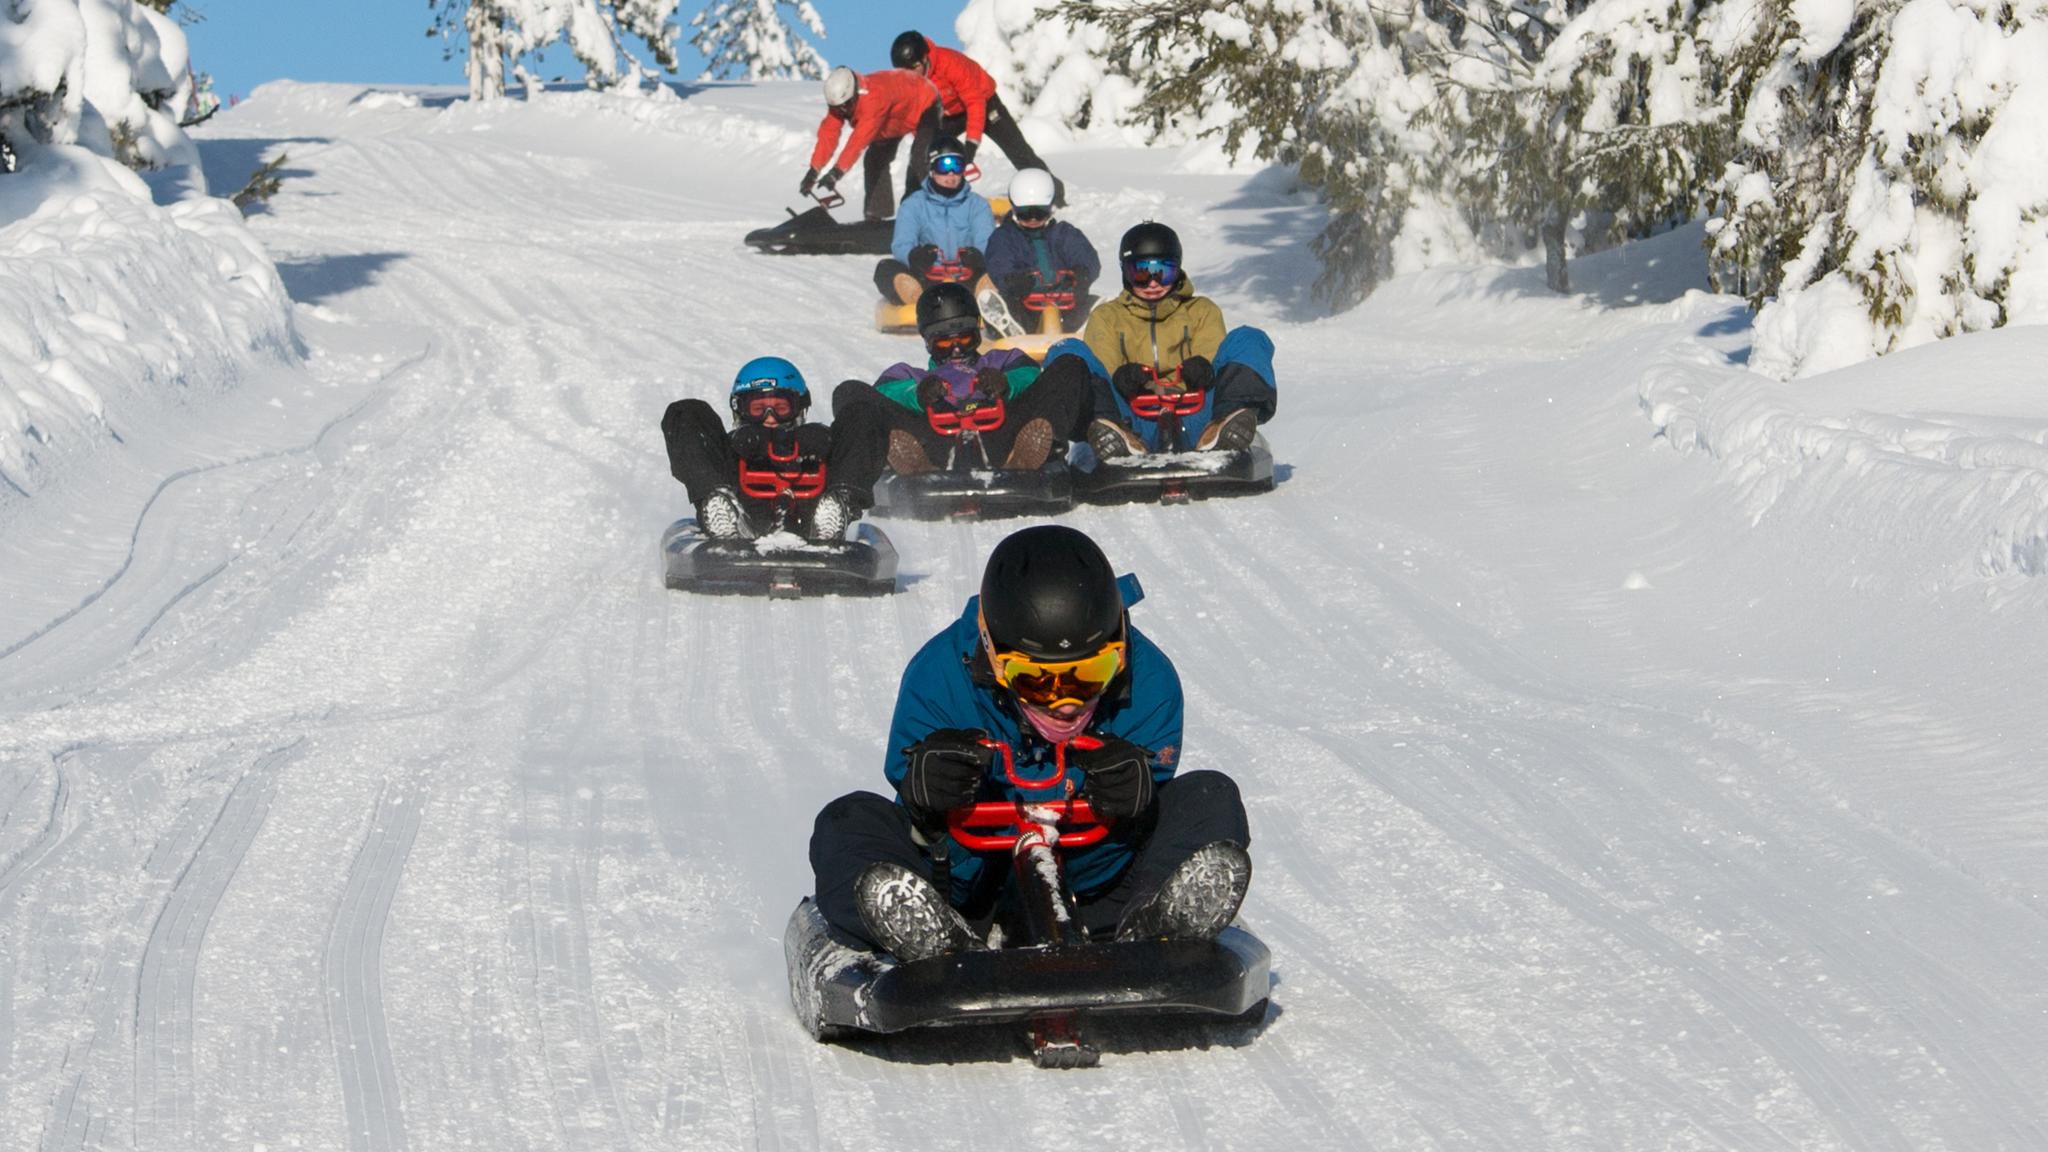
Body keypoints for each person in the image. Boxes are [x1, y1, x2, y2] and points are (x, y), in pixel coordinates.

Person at [808, 524, 1253, 961]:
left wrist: (1136, 800)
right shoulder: (937, 677)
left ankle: (1157, 925)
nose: (1066, 704)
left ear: (1117, 651)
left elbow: (1154, 808)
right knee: (848, 820)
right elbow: (915, 818)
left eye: (1090, 675)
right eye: (1037, 681)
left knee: (1211, 796)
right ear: (995, 657)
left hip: (1095, 887)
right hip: (966, 894)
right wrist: (927, 801)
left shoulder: (1151, 680)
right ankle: (929, 940)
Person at [1059, 221, 1278, 458]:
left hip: (1195, 413)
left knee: (1249, 338)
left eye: (1163, 273)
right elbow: (1100, 373)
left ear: (1178, 271)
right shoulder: (1107, 317)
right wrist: (1122, 377)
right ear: (1126, 273)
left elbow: (1216, 361)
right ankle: (1115, 437)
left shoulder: (1201, 310)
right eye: (1141, 274)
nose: (1153, 283)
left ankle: (1223, 426)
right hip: (1132, 417)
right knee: (1067, 349)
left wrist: (1201, 369)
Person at [833, 282, 1090, 474]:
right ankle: (918, 463)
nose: (956, 349)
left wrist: (1005, 384)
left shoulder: (1003, 360)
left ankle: (1029, 457)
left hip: (1005, 434)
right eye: (945, 342)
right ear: (928, 342)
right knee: (849, 392)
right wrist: (918, 394)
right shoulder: (910, 375)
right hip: (933, 440)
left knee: (1070, 364)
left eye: (964, 339)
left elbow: (1031, 375)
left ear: (976, 333)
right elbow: (888, 392)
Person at [660, 357, 885, 543]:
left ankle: (840, 504)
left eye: (781, 408)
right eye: (758, 409)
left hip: (814, 513)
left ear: (798, 408)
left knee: (863, 413)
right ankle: (719, 505)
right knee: (686, 411)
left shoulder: (817, 441)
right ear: (741, 410)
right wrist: (750, 441)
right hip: (742, 506)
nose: (770, 418)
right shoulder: (734, 446)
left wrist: (812, 439)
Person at [890, 31, 1062, 205]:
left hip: (985, 104)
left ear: (924, 58)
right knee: (921, 153)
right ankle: (911, 205)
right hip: (948, 115)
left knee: (1018, 150)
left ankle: (1053, 193)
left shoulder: (950, 62)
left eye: (914, 67)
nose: (911, 75)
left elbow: (975, 102)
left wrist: (971, 145)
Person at [802, 65, 941, 222]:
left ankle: (939, 210)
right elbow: (828, 134)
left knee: (920, 159)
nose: (842, 112)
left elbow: (859, 139)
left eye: (845, 106)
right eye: (836, 108)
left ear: (854, 93)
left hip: (924, 103)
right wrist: (813, 171)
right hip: (893, 120)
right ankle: (876, 218)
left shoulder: (874, 98)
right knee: (874, 160)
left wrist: (836, 172)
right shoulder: (841, 104)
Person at [871, 138, 997, 307]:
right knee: (885, 268)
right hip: (927, 277)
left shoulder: (977, 204)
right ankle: (916, 296)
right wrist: (914, 256)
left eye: (957, 166)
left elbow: (987, 241)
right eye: (944, 167)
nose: (951, 174)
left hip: (967, 276)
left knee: (1001, 266)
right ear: (932, 169)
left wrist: (978, 256)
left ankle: (984, 294)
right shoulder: (914, 204)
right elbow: (902, 243)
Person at [979, 168, 1102, 338]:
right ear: (1014, 209)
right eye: (1025, 214)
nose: (1033, 220)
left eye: (1039, 213)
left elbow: (1084, 255)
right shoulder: (1006, 236)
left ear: (1050, 208)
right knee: (1008, 304)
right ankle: (1009, 327)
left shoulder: (1064, 233)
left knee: (1088, 302)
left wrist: (1082, 273)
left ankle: (1085, 324)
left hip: (1064, 301)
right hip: (1024, 300)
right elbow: (999, 261)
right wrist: (1012, 280)